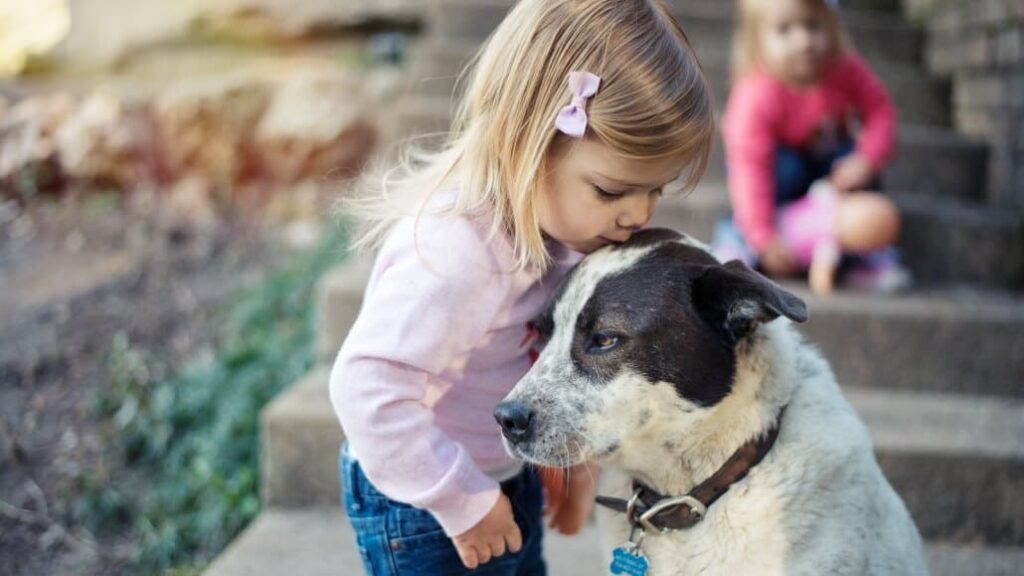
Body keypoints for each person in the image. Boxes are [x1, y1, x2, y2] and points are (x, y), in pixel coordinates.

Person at [329, 1, 715, 574]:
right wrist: (460, 500)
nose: (638, 213)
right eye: (611, 191)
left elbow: (548, 367)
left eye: (655, 191)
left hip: (498, 475)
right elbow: (367, 390)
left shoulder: (567, 234)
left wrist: (569, 463)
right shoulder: (459, 257)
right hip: (420, 501)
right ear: (527, 143)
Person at [715, 0, 911, 293]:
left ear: (831, 26)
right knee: (784, 168)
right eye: (785, 30)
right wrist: (762, 235)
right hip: (780, 189)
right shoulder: (755, 93)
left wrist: (866, 160)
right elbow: (748, 167)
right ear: (757, 39)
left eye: (813, 25)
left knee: (857, 163)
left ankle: (862, 255)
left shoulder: (843, 68)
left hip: (833, 180)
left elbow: (880, 112)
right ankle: (739, 241)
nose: (804, 41)